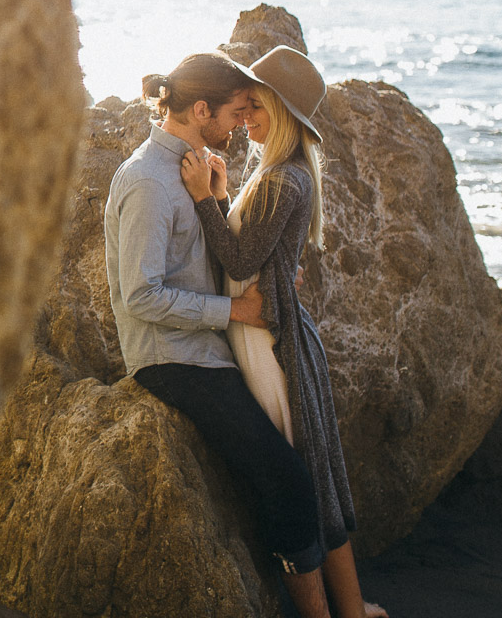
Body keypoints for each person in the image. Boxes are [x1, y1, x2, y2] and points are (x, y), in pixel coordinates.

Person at [104, 52, 332, 618]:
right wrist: (235, 311)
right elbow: (141, 296)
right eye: (233, 113)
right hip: (174, 358)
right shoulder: (149, 183)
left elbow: (220, 252)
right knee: (287, 479)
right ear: (200, 110)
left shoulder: (194, 168)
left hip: (211, 349)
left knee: (303, 453)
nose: (239, 124)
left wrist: (268, 269)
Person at [178, 47, 387, 618]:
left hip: (272, 346)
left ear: (281, 110)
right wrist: (222, 198)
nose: (245, 116)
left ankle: (347, 610)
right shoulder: (281, 174)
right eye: (243, 106)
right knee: (315, 472)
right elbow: (261, 258)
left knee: (305, 478)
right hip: (274, 334)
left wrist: (203, 201)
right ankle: (354, 609)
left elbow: (241, 259)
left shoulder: (281, 181)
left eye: (255, 106)